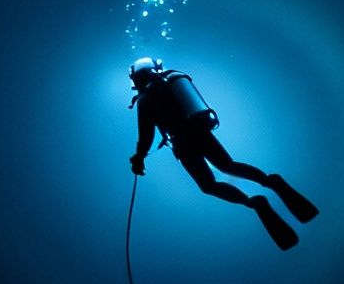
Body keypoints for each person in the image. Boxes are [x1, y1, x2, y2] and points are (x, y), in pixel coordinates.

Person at [126, 57, 319, 250]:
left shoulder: (145, 98)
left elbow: (146, 136)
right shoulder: (172, 81)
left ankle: (253, 202)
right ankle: (272, 181)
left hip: (182, 143)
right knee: (229, 166)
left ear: (136, 79)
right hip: (200, 131)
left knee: (208, 185)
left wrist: (139, 158)